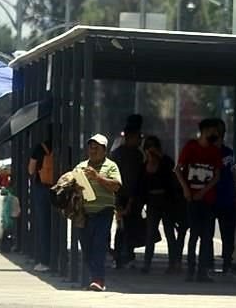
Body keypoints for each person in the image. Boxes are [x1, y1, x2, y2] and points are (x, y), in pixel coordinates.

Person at [175, 118, 223, 282]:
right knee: (194, 234)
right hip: (191, 198)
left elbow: (216, 176)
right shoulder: (191, 147)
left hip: (207, 199)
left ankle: (202, 271)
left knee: (206, 236)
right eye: (213, 131)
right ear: (205, 131)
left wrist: (203, 191)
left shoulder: (214, 151)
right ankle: (191, 270)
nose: (215, 134)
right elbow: (178, 169)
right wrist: (186, 189)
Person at [73, 134, 122, 292]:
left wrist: (97, 177)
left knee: (99, 245)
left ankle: (98, 280)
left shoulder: (111, 166)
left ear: (104, 150)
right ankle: (90, 278)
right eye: (91, 148)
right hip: (85, 214)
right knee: (86, 247)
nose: (93, 151)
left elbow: (116, 186)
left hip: (103, 212)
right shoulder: (81, 166)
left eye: (96, 148)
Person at [137, 135, 182, 273]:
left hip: (166, 201)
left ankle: (173, 263)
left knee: (169, 233)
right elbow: (141, 186)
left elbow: (172, 171)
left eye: (153, 147)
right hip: (152, 202)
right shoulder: (144, 166)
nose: (151, 151)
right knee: (150, 233)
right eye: (148, 148)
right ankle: (147, 264)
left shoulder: (165, 162)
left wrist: (159, 156)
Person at [112, 123, 145, 268]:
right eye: (138, 137)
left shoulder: (136, 154)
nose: (140, 140)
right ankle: (121, 255)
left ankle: (125, 255)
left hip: (131, 196)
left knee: (128, 227)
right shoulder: (125, 155)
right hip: (123, 195)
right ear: (130, 137)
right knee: (123, 227)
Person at [212, 118, 236, 274]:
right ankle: (207, 261)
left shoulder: (228, 152)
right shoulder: (206, 152)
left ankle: (227, 261)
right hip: (210, 195)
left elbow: (231, 173)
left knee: (228, 233)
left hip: (226, 196)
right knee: (206, 232)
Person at [28, 137, 54, 272]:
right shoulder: (66, 148)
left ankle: (44, 260)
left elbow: (31, 170)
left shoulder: (39, 148)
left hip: (42, 188)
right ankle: (59, 257)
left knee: (43, 225)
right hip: (60, 189)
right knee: (58, 225)